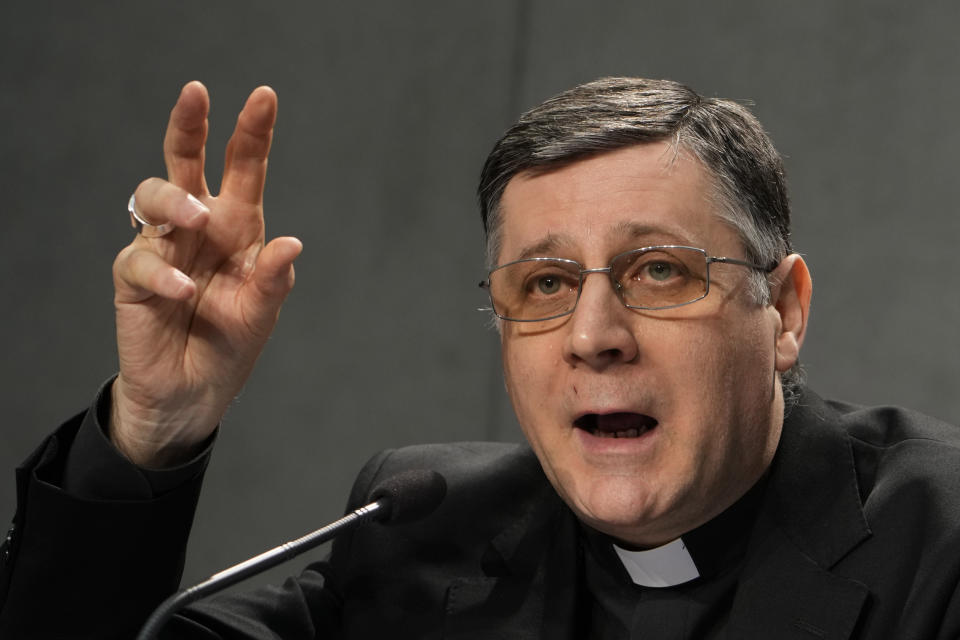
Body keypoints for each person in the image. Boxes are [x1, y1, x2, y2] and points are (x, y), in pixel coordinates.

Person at [1, 77, 959, 639]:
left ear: (783, 311)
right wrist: (152, 429)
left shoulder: (940, 549)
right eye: (543, 285)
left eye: (659, 271)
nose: (593, 335)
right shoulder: (428, 532)